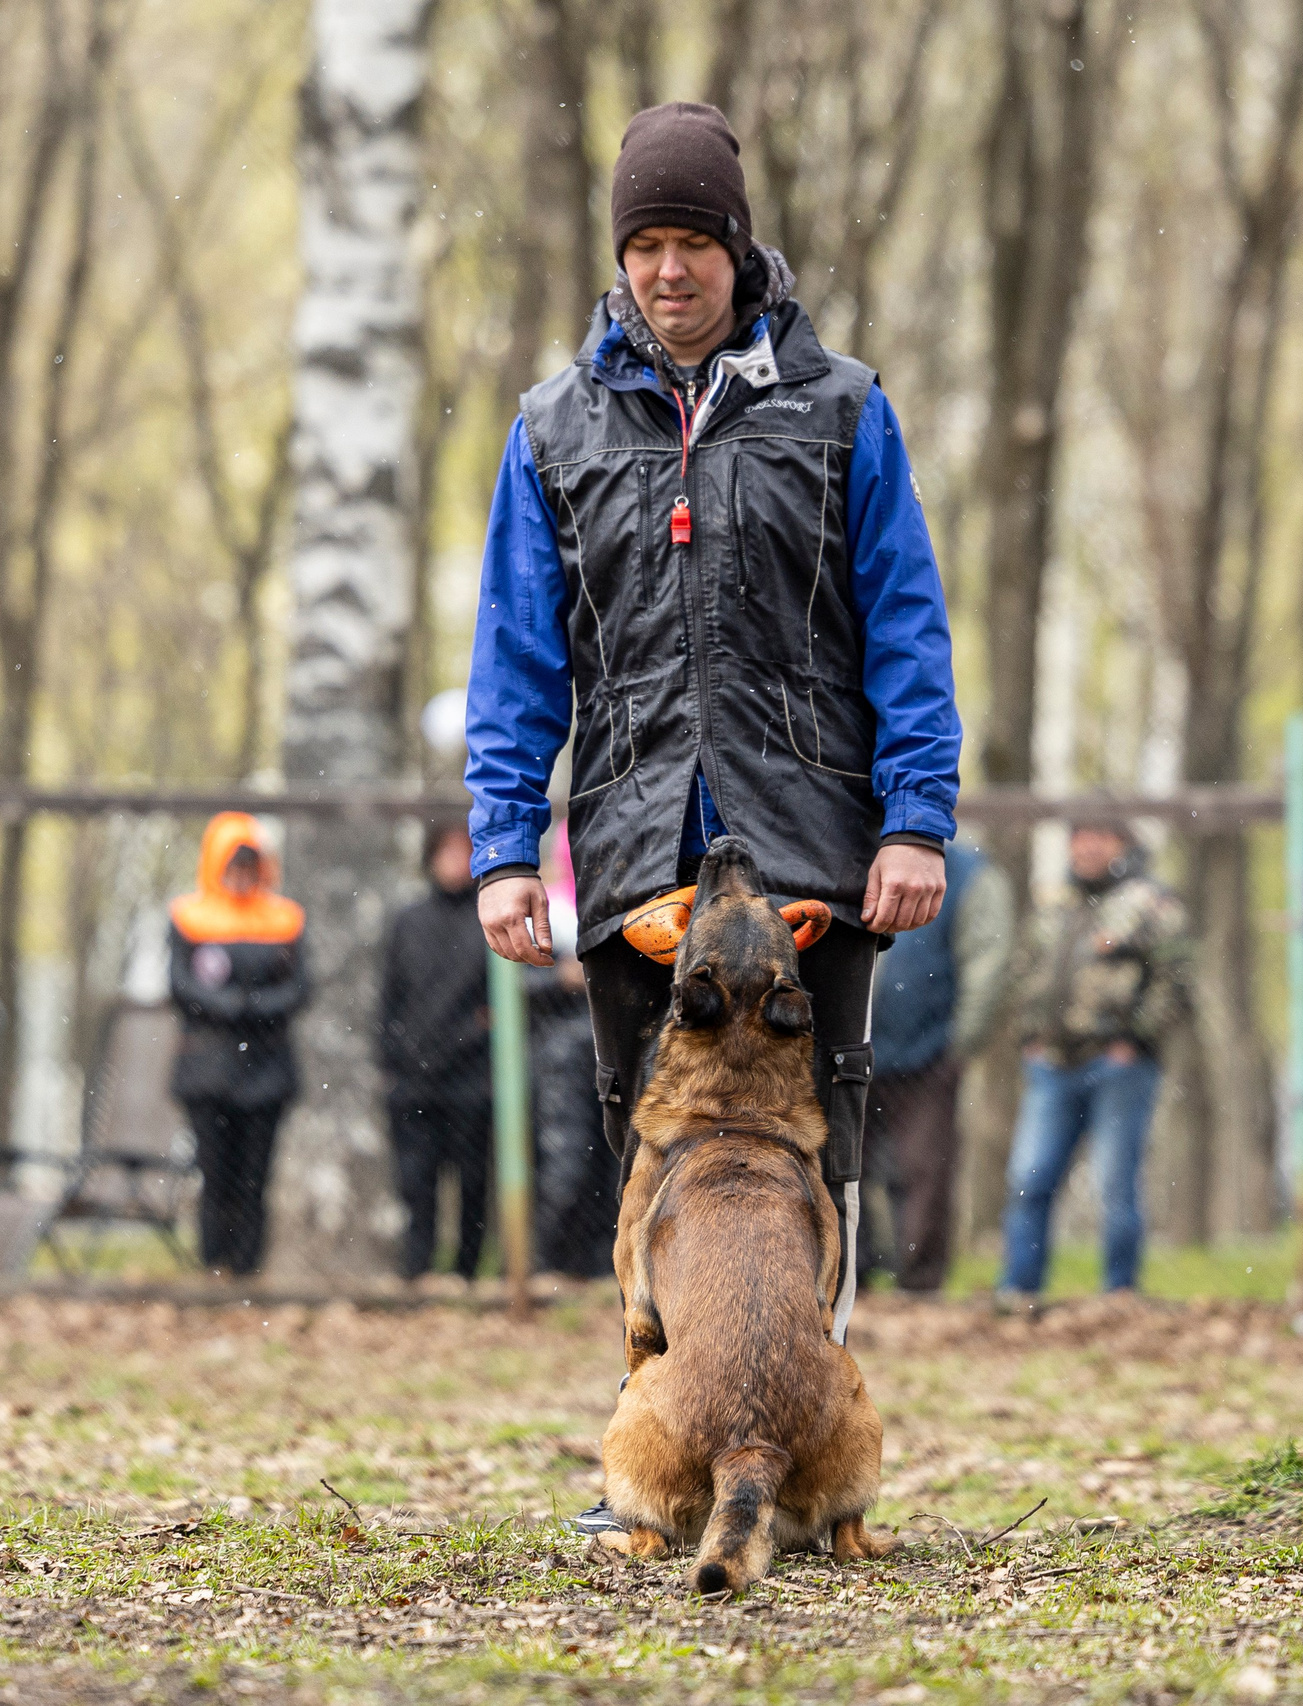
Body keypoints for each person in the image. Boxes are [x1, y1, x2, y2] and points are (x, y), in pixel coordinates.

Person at [466, 101, 962, 1533]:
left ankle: (808, 1456)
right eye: (645, 246)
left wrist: (914, 816)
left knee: (822, 1168)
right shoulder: (552, 428)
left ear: (738, 252)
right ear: (619, 261)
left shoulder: (845, 407)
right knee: (652, 1170)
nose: (668, 271)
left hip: (818, 848)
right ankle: (659, 1470)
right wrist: (509, 846)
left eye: (691, 243)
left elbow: (906, 629)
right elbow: (516, 653)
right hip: (629, 856)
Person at [998, 820, 1188, 1303]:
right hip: (1051, 1064)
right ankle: (1019, 1291)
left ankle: (1118, 1295)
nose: (1087, 847)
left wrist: (1135, 1040)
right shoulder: (1053, 902)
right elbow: (1024, 971)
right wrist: (1030, 1036)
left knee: (1115, 1185)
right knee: (1029, 1180)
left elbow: (1176, 978)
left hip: (1117, 1066)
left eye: (1100, 837)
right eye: (1079, 837)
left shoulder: (1150, 903)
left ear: (1121, 845)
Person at [862, 839, 1014, 1292]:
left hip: (927, 1054)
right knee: (843, 1169)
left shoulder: (969, 874)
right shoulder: (848, 853)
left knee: (924, 1169)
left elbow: (988, 962)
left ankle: (920, 1283)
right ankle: (853, 1275)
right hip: (849, 1050)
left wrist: (960, 1044)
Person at [168, 813, 307, 1278]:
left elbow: (299, 990)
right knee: (215, 1175)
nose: (243, 876)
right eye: (234, 865)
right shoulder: (191, 919)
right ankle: (214, 1267)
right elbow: (182, 987)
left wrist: (247, 1006)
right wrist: (233, 1006)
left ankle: (248, 1270)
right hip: (207, 1068)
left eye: (251, 866)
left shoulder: (284, 920)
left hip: (267, 1070)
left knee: (254, 1178)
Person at [379, 820, 495, 1283]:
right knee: (416, 1184)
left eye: (462, 851)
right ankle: (417, 1272)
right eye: (446, 851)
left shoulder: (488, 921)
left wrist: (465, 1038)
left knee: (471, 1182)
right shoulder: (407, 922)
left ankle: (466, 1274)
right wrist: (400, 1058)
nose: (453, 861)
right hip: (413, 1080)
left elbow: (495, 1010)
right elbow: (388, 1001)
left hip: (472, 1080)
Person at [529, 827, 617, 1278]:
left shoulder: (618, 906)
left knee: (613, 1162)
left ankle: (606, 1264)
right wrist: (561, 980)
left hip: (613, 1053)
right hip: (561, 1059)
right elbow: (517, 987)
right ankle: (553, 1265)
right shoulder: (546, 914)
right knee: (566, 1165)